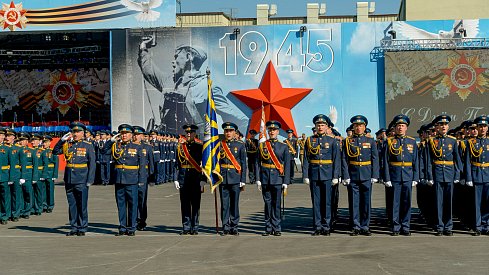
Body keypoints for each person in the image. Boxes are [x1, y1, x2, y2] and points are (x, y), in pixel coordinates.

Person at [138, 38, 248, 134]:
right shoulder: (169, 82)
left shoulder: (207, 87)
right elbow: (149, 70)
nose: (173, 61)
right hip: (168, 141)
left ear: (188, 57)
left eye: (177, 57)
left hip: (194, 144)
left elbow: (235, 117)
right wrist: (143, 48)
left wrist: (239, 141)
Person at [53, 122, 96, 236]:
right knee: (72, 204)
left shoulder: (88, 145)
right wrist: (61, 141)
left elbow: (92, 164)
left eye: (78, 132)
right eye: (74, 132)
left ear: (83, 133)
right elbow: (55, 151)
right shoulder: (68, 144)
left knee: (82, 204)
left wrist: (90, 179)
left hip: (82, 178)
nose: (75, 134)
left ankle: (82, 227)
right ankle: (74, 227)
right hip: (69, 179)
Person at [103, 124, 145, 236]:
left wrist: (141, 180)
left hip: (132, 179)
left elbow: (142, 165)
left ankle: (131, 228)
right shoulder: (116, 146)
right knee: (121, 205)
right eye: (122, 133)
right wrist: (111, 141)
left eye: (126, 133)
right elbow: (104, 151)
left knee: (132, 204)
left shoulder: (138, 147)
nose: (124, 135)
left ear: (131, 135)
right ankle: (122, 227)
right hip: (119, 179)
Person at [303, 114, 341, 236]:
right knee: (316, 202)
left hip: (328, 175)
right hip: (314, 175)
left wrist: (336, 176)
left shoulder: (332, 141)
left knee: (327, 202)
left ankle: (326, 226)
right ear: (315, 126)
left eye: (323, 125)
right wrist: (305, 175)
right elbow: (306, 159)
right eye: (318, 125)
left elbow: (336, 160)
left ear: (327, 127)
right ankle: (317, 226)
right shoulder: (309, 140)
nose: (320, 127)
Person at [342, 115, 379, 236]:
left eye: (361, 126)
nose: (358, 128)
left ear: (365, 127)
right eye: (356, 126)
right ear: (353, 127)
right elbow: (344, 159)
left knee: (366, 202)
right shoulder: (347, 141)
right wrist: (345, 176)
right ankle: (355, 226)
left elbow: (375, 159)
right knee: (354, 202)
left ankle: (365, 226)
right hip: (353, 175)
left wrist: (374, 175)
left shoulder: (371, 141)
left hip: (367, 175)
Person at [382, 115, 419, 236]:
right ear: (395, 127)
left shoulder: (412, 142)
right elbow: (385, 162)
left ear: (406, 128)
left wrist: (415, 177)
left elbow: (416, 161)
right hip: (395, 176)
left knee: (406, 202)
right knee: (395, 203)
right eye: (398, 126)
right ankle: (395, 226)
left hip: (408, 176)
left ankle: (406, 226)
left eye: (403, 126)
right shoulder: (389, 141)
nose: (400, 128)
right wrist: (386, 178)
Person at [425, 115, 461, 236]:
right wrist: (429, 176)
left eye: (445, 124)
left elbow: (457, 160)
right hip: (437, 174)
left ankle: (449, 226)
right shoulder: (431, 141)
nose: (443, 126)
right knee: (438, 202)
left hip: (450, 174)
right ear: (437, 127)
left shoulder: (453, 140)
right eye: (441, 124)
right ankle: (440, 226)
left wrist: (457, 175)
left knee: (449, 202)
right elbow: (429, 161)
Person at [255, 121, 291, 236]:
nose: (272, 132)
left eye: (274, 130)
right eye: (270, 130)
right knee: (267, 204)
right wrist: (258, 179)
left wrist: (286, 181)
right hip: (265, 178)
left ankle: (277, 227)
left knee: (276, 204)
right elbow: (257, 163)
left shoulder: (283, 146)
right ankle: (268, 227)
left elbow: (287, 165)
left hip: (278, 178)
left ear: (278, 132)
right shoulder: (262, 145)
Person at [173, 124, 206, 235]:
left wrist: (203, 179)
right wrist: (176, 178)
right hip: (183, 178)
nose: (188, 134)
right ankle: (186, 226)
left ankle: (195, 227)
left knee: (196, 204)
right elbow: (177, 164)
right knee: (185, 204)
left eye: (191, 132)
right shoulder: (180, 147)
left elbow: (205, 165)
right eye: (187, 132)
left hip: (196, 178)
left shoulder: (200, 146)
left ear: (195, 134)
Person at [218, 122, 247, 236]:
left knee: (234, 204)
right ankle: (225, 226)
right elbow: (216, 162)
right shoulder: (220, 144)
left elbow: (243, 163)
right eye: (226, 131)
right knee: (224, 204)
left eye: (230, 131)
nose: (228, 133)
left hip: (235, 178)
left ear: (235, 132)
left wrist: (243, 179)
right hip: (223, 178)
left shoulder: (240, 145)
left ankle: (234, 226)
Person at [464, 115, 489, 236]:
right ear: (477, 128)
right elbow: (468, 161)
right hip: (477, 175)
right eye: (480, 126)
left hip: (488, 175)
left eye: (484, 126)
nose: (482, 129)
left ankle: (487, 225)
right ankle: (478, 226)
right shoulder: (471, 143)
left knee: (487, 203)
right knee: (477, 203)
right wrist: (469, 177)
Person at [133, 126, 154, 231]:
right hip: (131, 175)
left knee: (142, 199)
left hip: (143, 176)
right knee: (132, 199)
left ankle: (142, 220)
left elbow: (151, 163)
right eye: (134, 134)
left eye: (138, 135)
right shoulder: (129, 146)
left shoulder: (147, 147)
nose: (136, 136)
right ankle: (133, 220)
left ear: (142, 136)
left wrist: (151, 177)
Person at [18, 132, 38, 219]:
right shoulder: (16, 150)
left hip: (28, 174)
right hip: (18, 174)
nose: (21, 142)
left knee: (28, 193)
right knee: (20, 194)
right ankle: (21, 210)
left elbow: (35, 165)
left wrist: (34, 177)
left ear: (27, 141)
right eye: (20, 140)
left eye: (23, 140)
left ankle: (27, 210)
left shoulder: (32, 151)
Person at [40, 135, 58, 214]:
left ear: (50, 142)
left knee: (50, 190)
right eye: (43, 142)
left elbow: (56, 163)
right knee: (43, 190)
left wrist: (55, 175)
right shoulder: (40, 151)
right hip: (43, 173)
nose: (44, 144)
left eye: (46, 142)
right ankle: (44, 205)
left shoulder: (53, 151)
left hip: (50, 173)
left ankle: (50, 206)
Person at [0, 127, 13, 225]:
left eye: (1, 135)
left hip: (4, 176)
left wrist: (11, 178)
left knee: (5, 197)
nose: (0, 137)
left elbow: (12, 165)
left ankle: (5, 216)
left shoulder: (7, 149)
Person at [30, 134, 44, 216]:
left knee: (39, 191)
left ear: (39, 141)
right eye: (32, 140)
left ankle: (39, 208)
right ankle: (32, 208)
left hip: (39, 173)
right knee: (32, 191)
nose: (33, 142)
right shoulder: (30, 150)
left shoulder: (42, 151)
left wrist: (43, 174)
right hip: (31, 173)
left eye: (35, 140)